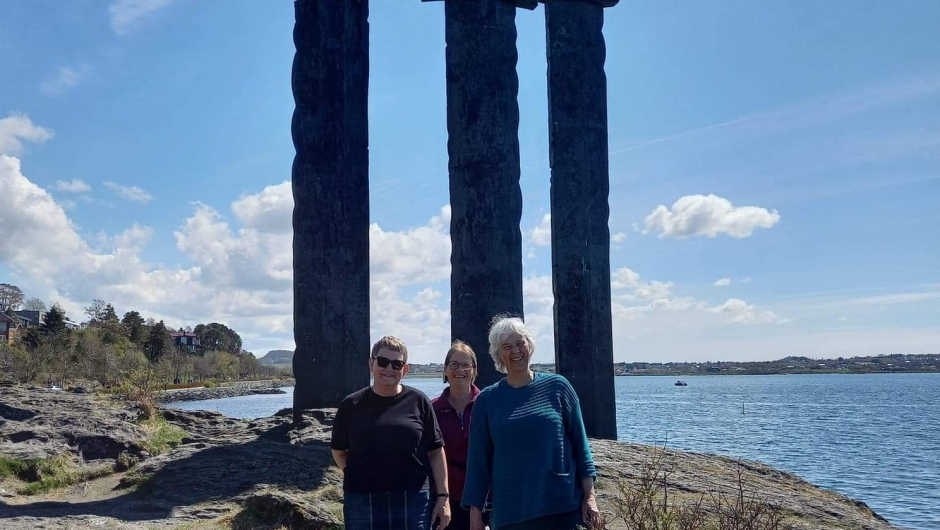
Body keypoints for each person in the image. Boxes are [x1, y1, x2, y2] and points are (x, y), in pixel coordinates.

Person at [462, 317, 600, 530]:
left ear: (530, 345)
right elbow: (477, 464)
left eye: (520, 343)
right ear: (499, 354)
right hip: (511, 514)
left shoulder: (559, 387)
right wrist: (475, 515)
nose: (516, 351)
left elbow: (581, 448)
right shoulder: (486, 401)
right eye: (507, 347)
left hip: (563, 509)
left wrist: (590, 497)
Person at [330, 336, 452, 530]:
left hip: (413, 500)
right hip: (362, 500)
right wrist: (359, 474)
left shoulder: (419, 401)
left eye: (396, 364)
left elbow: (436, 451)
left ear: (405, 369)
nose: (389, 368)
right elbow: (338, 451)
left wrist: (443, 498)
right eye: (383, 361)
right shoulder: (351, 405)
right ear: (371, 363)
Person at [431, 340, 487, 530]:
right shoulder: (432, 409)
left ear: (474, 370)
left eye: (465, 365)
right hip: (444, 499)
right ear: (446, 370)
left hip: (484, 498)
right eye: (454, 364)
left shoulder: (488, 405)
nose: (460, 370)